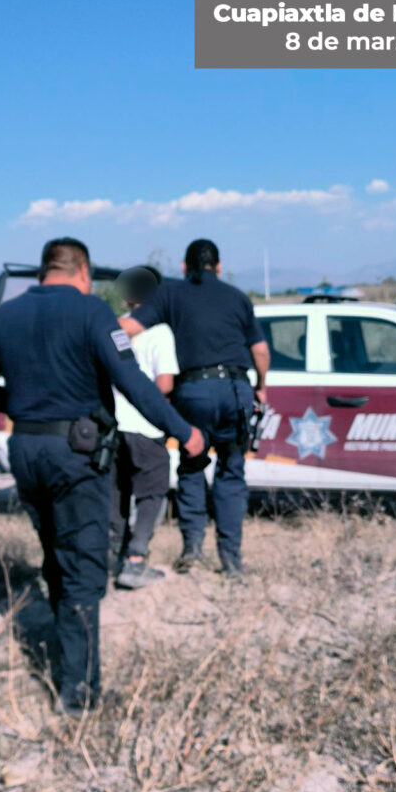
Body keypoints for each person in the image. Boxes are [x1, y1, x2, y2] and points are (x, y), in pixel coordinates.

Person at [0, 238, 203, 715]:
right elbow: (132, 382)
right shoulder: (91, 311)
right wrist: (183, 431)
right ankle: (80, 693)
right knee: (84, 566)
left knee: (55, 554)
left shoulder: (5, 317)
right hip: (75, 454)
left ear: (42, 272)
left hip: (26, 449)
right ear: (82, 272)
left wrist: (24, 411)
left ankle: (69, 656)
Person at [119, 239, 270, 577]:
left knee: (192, 465)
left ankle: (192, 550)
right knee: (231, 472)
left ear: (185, 268)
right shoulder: (238, 297)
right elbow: (260, 350)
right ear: (218, 266)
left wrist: (92, 333)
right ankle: (231, 561)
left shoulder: (171, 294)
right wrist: (261, 386)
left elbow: (127, 328)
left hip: (193, 392)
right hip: (235, 390)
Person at [110, 266, 179, 589]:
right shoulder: (161, 332)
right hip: (145, 425)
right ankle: (136, 559)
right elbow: (164, 383)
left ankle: (112, 557)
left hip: (112, 425)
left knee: (117, 494)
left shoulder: (111, 329)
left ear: (126, 296)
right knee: (151, 493)